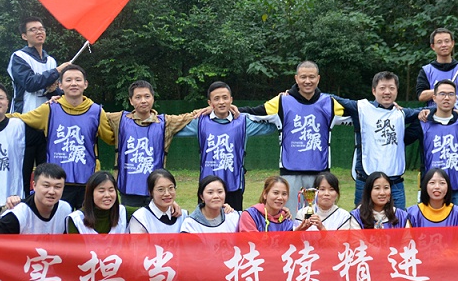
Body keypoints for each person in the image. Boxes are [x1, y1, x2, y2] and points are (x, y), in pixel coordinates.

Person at [238, 61, 350, 212]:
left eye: (311, 77)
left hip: (320, 174)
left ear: (318, 78)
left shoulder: (329, 103)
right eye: (303, 77)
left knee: (318, 218)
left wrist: (380, 107)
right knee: (289, 217)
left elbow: (360, 113)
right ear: (296, 78)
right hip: (290, 173)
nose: (307, 81)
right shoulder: (282, 101)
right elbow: (253, 112)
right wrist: (224, 109)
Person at [7, 64, 116, 209]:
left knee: (85, 221)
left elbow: (111, 137)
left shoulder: (96, 111)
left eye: (78, 80)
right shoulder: (50, 109)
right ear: (60, 85)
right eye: (68, 80)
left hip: (88, 180)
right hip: (57, 183)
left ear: (85, 84)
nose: (73, 83)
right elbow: (21, 118)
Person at [331, 71, 423, 208]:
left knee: (398, 220)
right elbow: (330, 99)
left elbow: (429, 111)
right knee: (362, 219)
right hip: (365, 180)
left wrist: (454, 111)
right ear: (374, 91)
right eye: (382, 88)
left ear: (397, 91)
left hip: (395, 182)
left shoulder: (401, 113)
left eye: (391, 88)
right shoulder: (360, 108)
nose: (387, 92)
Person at [178, 81, 275, 210]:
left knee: (233, 220)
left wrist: (285, 100)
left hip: (234, 185)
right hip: (207, 186)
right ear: (210, 103)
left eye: (225, 98)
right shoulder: (200, 122)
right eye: (216, 99)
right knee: (206, 220)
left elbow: (272, 124)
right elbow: (174, 126)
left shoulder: (243, 121)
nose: (221, 102)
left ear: (231, 100)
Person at [107, 80, 204, 207]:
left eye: (147, 96)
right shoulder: (119, 119)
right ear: (131, 100)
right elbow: (94, 115)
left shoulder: (165, 122)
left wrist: (212, 107)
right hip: (128, 190)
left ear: (153, 98)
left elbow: (190, 117)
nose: (143, 101)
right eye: (138, 97)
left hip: (157, 191)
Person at [408, 79, 458, 206]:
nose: (446, 98)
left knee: (457, 219)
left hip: (456, 187)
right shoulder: (423, 122)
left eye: (451, 94)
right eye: (442, 94)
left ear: (456, 98)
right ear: (434, 98)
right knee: (428, 219)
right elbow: (402, 139)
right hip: (430, 188)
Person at [7, 16, 70, 113]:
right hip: (25, 114)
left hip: (48, 114)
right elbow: (29, 83)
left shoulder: (51, 61)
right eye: (33, 29)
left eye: (41, 29)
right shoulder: (19, 57)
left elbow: (56, 92)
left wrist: (52, 90)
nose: (39, 32)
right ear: (24, 36)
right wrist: (57, 71)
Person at [0, 163, 73, 234]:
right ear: (34, 185)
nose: (51, 192)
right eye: (46, 186)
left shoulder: (65, 209)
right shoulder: (17, 214)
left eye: (57, 187)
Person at [416, 27, 458, 110]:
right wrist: (442, 90)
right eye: (439, 42)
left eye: (447, 41)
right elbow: (421, 96)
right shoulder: (426, 70)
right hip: (434, 116)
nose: (444, 45)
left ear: (452, 43)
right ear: (433, 46)